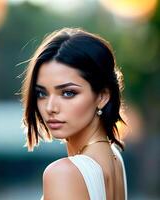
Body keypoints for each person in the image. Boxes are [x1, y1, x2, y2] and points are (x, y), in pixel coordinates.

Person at [21, 28, 127, 200]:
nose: (50, 107)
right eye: (42, 93)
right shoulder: (114, 159)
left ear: (102, 96)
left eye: (68, 93)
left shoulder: (64, 173)